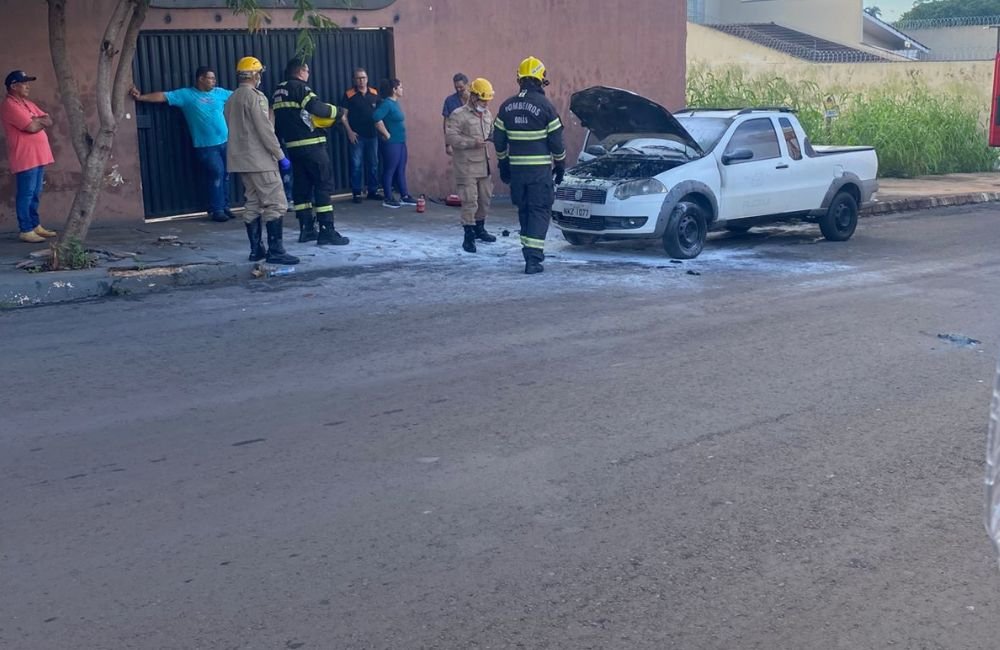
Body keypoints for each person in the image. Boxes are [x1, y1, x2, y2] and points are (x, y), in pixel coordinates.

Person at [131, 66, 235, 222]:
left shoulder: (220, 93)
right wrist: (141, 98)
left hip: (225, 142)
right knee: (216, 173)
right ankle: (217, 209)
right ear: (200, 79)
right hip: (206, 146)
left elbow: (240, 97)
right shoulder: (187, 95)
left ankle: (225, 206)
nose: (213, 81)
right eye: (210, 78)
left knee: (226, 174)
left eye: (214, 78)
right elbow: (163, 96)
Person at [493, 56, 566, 275]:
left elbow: (499, 140)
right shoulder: (546, 107)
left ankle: (528, 253)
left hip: (517, 172)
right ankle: (533, 260)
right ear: (540, 79)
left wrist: (503, 163)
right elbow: (556, 143)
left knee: (524, 211)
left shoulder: (506, 106)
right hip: (539, 174)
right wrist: (561, 165)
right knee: (539, 211)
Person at [224, 56, 298, 265]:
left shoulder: (232, 98)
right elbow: (265, 129)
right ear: (255, 75)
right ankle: (276, 251)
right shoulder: (255, 97)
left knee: (253, 203)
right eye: (259, 74)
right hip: (260, 160)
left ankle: (256, 250)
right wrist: (280, 156)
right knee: (276, 203)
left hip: (240, 160)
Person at [272, 57, 349, 246]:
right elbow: (316, 107)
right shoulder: (300, 88)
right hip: (312, 145)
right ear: (300, 71)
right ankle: (327, 230)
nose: (308, 74)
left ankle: (306, 230)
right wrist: (338, 112)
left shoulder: (277, 93)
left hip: (293, 148)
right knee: (323, 186)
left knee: (302, 188)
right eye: (307, 70)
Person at [1, 70, 57, 243]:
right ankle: (25, 229)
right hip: (25, 156)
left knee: (36, 192)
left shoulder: (26, 103)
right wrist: (36, 121)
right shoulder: (9, 105)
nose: (28, 86)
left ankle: (35, 225)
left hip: (38, 155)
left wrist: (36, 120)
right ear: (13, 86)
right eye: (24, 83)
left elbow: (48, 119)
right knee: (26, 193)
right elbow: (31, 127)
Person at [445, 77, 497, 253]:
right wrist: (471, 142)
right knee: (470, 200)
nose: (486, 103)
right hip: (466, 166)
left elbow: (491, 132)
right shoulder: (458, 114)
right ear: (474, 97)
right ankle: (468, 236)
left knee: (485, 198)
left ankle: (480, 229)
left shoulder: (488, 114)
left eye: (488, 100)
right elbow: (451, 137)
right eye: (483, 99)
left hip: (484, 164)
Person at [373, 78, 416, 209]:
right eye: (400, 87)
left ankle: (404, 195)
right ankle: (388, 197)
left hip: (401, 141)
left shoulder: (395, 103)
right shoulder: (387, 104)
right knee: (390, 169)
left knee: (401, 168)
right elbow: (376, 117)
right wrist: (386, 134)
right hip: (392, 142)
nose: (402, 90)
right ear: (394, 90)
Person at [340, 67, 380, 203]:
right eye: (358, 78)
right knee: (356, 164)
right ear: (354, 80)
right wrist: (349, 132)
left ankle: (372, 191)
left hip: (373, 135)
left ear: (367, 78)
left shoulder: (374, 93)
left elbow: (381, 113)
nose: (361, 81)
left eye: (363, 78)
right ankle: (356, 193)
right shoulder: (349, 94)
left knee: (373, 163)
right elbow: (343, 116)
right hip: (357, 136)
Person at [442, 73, 469, 158]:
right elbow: (447, 123)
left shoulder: (475, 99)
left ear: (467, 85)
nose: (458, 90)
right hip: (457, 142)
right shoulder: (450, 101)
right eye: (456, 87)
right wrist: (447, 144)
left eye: (461, 87)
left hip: (474, 141)